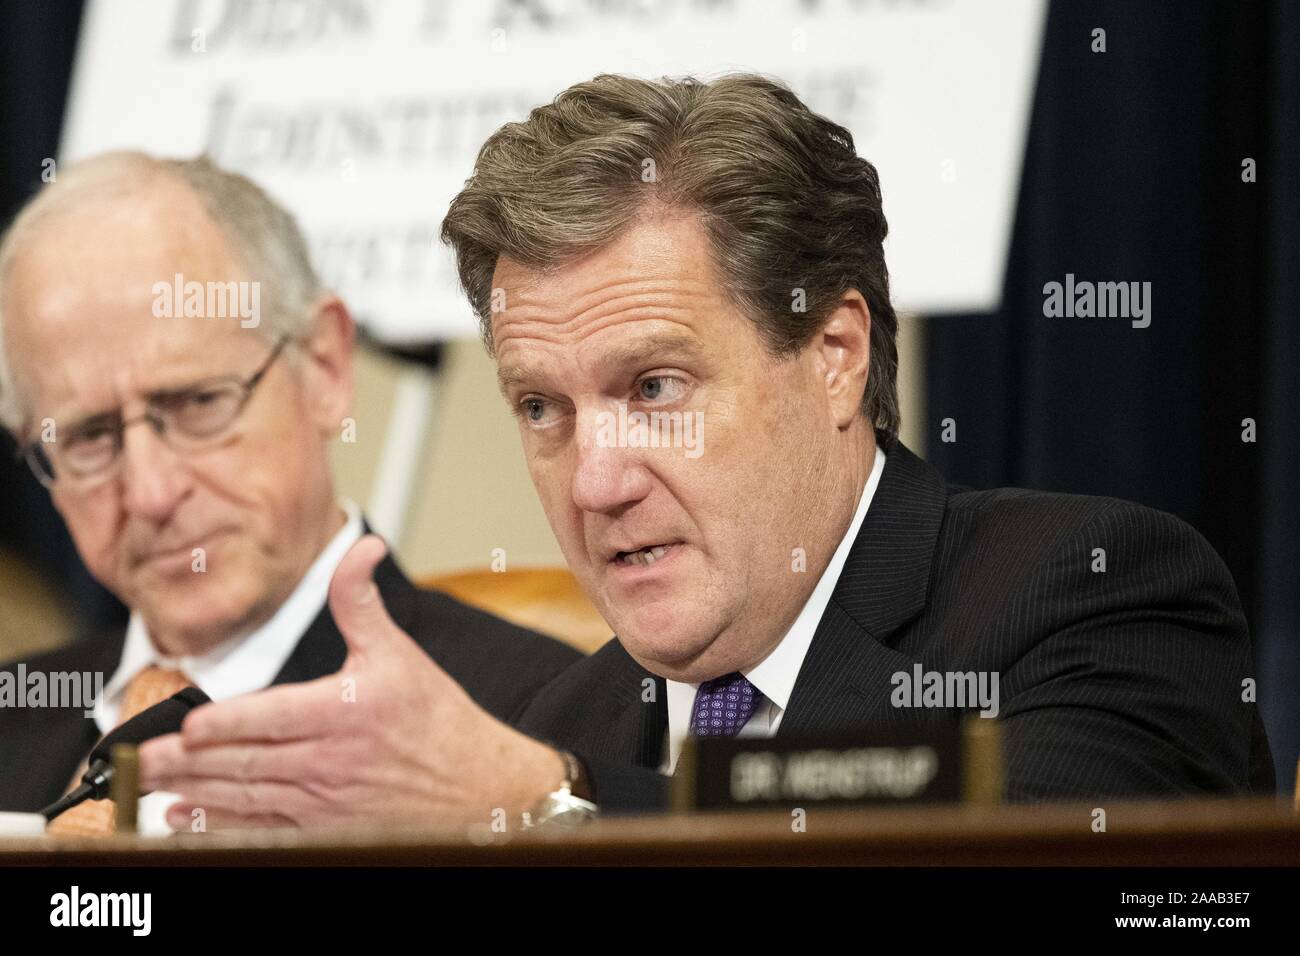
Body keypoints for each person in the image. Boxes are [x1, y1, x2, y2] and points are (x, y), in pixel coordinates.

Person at [138, 74, 1273, 829]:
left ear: (833, 353)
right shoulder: (563, 720)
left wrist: (551, 810)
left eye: (654, 387)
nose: (595, 479)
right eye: (543, 407)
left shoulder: (1090, 593)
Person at [0, 152, 580, 832]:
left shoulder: (537, 726)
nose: (152, 493)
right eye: (90, 437)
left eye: (197, 403)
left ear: (326, 367)